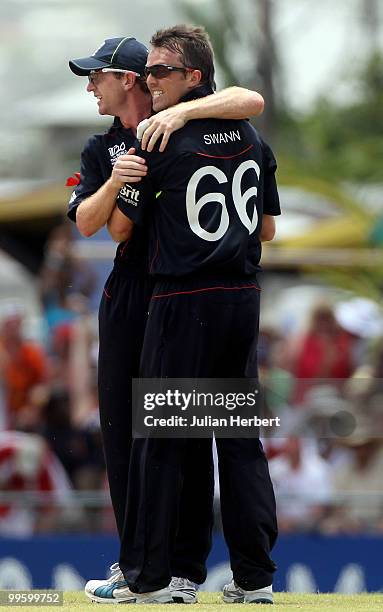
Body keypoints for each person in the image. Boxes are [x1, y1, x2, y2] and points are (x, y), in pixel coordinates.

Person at [67, 36, 266, 604]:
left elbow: (248, 99)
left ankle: (171, 569)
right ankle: (142, 562)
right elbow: (89, 224)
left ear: (128, 79)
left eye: (98, 77)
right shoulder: (102, 146)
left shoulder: (176, 127)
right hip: (135, 291)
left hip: (178, 291)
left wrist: (182, 108)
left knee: (180, 432)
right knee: (129, 433)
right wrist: (115, 180)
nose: (90, 88)